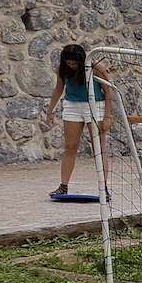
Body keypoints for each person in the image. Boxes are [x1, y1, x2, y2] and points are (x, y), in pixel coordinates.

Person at [45, 43, 111, 199]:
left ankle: (104, 187)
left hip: (94, 105)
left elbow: (108, 91)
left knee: (98, 148)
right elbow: (58, 88)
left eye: (74, 63)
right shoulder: (63, 68)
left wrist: (107, 117)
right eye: (68, 63)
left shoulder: (95, 66)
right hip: (72, 105)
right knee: (70, 146)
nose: (72, 66)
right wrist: (50, 111)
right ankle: (63, 186)